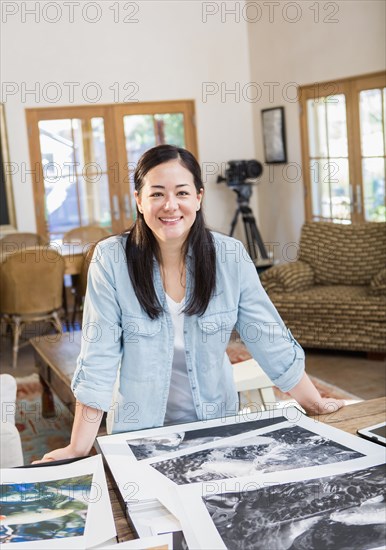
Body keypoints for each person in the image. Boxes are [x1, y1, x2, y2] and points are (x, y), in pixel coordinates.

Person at [35, 144, 343, 463]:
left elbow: (268, 338)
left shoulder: (230, 256)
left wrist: (315, 403)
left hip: (217, 426)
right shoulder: (111, 259)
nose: (170, 205)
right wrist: (78, 448)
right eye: (156, 194)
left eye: (181, 192)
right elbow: (98, 359)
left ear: (198, 197)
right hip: (140, 432)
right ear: (139, 200)